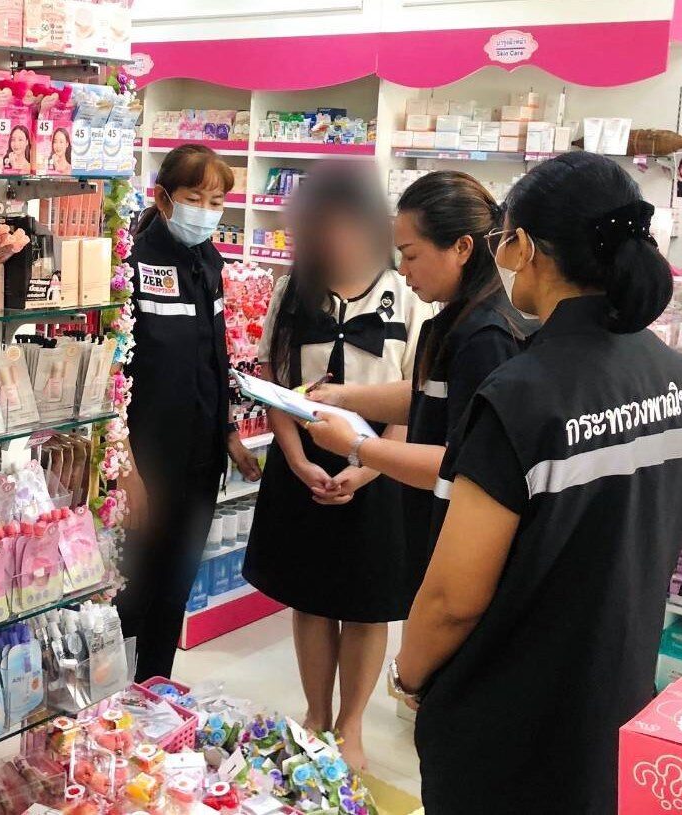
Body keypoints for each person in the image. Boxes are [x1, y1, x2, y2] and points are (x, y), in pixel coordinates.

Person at [309, 152, 682, 813]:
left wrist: (410, 675)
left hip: (511, 708)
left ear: (523, 246)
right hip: (615, 689)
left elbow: (453, 597)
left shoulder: (524, 396)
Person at [242, 168, 429, 772]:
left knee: (368, 603)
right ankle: (317, 714)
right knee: (312, 595)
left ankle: (351, 725)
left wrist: (369, 469)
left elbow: (416, 396)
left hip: (382, 466)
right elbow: (274, 383)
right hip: (303, 460)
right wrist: (297, 461)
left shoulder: (407, 295)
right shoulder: (292, 292)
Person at [306, 171, 533, 604]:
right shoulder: (459, 318)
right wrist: (341, 396)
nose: (402, 270)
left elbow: (462, 464)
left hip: (464, 552)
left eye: (411, 255)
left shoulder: (486, 337)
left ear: (462, 248)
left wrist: (356, 446)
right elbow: (428, 397)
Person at [116, 144, 261, 682]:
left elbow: (213, 355)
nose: (206, 210)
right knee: (134, 587)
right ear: (164, 199)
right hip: (149, 458)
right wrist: (125, 468)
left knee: (175, 585)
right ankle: (114, 700)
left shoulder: (209, 262)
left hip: (200, 455)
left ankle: (154, 690)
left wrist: (230, 434)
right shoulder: (133, 264)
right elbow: (115, 377)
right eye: (194, 197)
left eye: (216, 201)